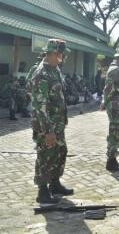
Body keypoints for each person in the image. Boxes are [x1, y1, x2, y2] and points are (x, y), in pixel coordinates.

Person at [31, 39, 73, 204]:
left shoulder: (55, 70)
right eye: (61, 54)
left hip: (58, 124)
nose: (63, 57)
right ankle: (42, 191)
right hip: (46, 125)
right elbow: (39, 105)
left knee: (60, 152)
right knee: (45, 155)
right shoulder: (41, 73)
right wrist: (47, 131)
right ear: (53, 53)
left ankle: (54, 184)